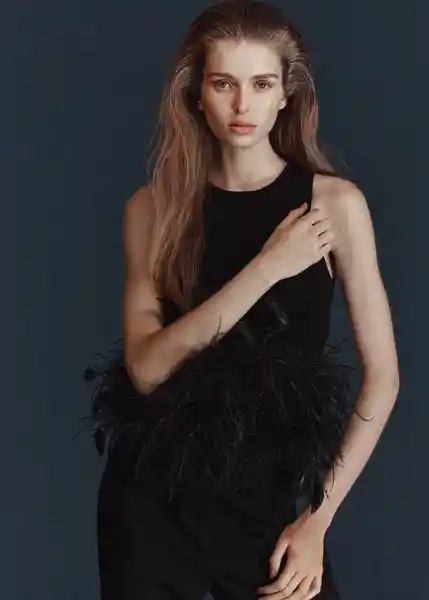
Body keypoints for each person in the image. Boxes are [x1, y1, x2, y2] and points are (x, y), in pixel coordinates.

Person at [83, 1, 400, 599]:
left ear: (286, 95)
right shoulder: (152, 209)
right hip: (152, 502)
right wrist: (269, 267)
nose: (241, 106)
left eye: (260, 84)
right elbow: (147, 370)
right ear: (196, 94)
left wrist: (317, 521)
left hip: (266, 502)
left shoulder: (334, 205)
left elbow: (383, 378)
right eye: (223, 83)